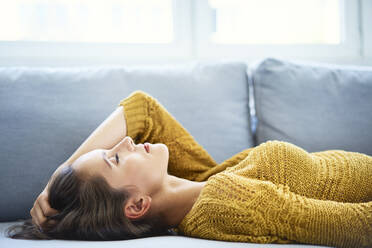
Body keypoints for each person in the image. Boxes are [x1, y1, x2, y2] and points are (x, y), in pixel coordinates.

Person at [6, 90, 372, 247]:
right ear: (135, 206)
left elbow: (142, 108)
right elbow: (351, 225)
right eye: (114, 158)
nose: (125, 141)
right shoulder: (223, 201)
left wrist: (59, 175)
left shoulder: (197, 182)